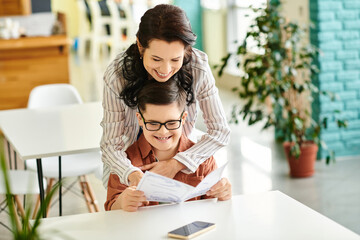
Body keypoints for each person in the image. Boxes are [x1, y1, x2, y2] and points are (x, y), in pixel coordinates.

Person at [101, 4, 231, 188]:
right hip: (129, 167)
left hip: (180, 165)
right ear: (140, 45)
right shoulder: (117, 75)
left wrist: (176, 164)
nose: (165, 70)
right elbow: (110, 145)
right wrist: (131, 174)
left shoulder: (198, 67)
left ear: (186, 50)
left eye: (175, 60)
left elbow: (220, 131)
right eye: (156, 59)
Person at [104, 79, 232, 211]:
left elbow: (212, 208)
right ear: (140, 119)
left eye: (171, 123)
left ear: (183, 119)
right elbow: (111, 208)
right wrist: (122, 202)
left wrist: (223, 193)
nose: (163, 132)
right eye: (153, 123)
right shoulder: (125, 162)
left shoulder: (203, 160)